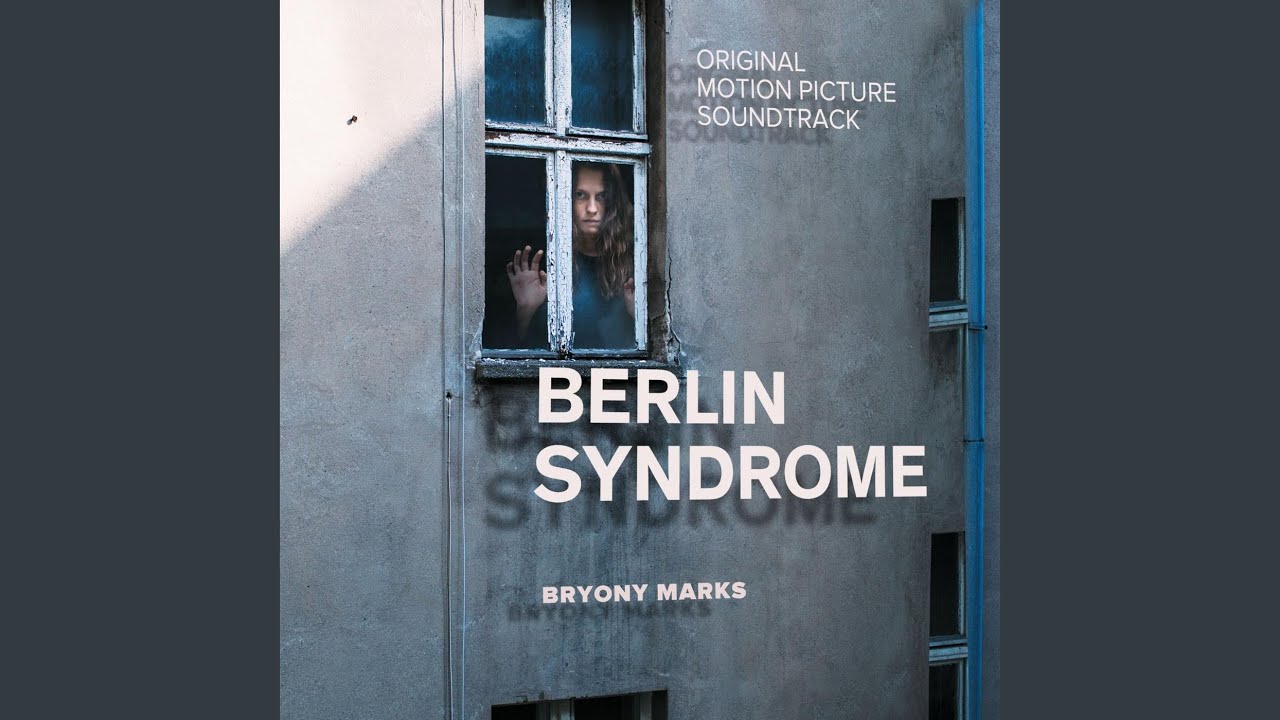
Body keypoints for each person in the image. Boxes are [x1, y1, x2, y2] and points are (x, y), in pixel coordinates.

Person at [506, 162, 635, 348]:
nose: (592, 208)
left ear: (612, 203)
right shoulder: (545, 265)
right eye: (580, 195)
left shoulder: (634, 266)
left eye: (601, 196)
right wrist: (525, 309)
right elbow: (518, 352)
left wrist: (641, 318)